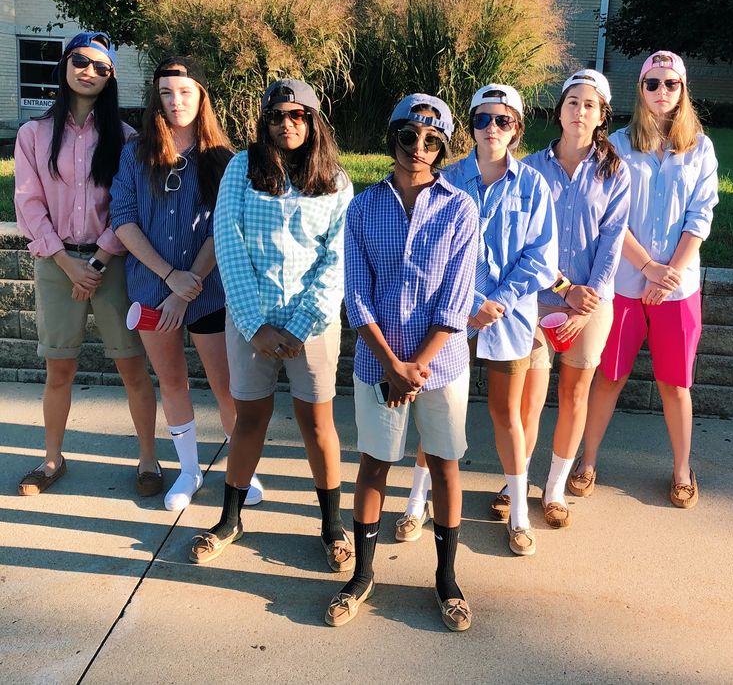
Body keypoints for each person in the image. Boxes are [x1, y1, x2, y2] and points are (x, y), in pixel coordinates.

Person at [325, 94, 478, 632]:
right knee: (375, 463)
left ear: (442, 147)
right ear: (392, 138)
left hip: (441, 363)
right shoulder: (363, 208)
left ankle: (447, 578)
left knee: (443, 464)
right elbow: (356, 295)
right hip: (377, 364)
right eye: (408, 136)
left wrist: (416, 366)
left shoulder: (460, 208)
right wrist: (392, 364)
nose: (418, 148)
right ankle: (363, 573)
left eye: (431, 141)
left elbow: (456, 302)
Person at [189, 80, 354, 571]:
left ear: (314, 121)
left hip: (313, 324)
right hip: (251, 322)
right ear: (265, 120)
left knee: (317, 424)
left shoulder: (337, 181)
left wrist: (301, 324)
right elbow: (229, 242)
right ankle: (230, 519)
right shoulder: (242, 169)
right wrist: (255, 324)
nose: (288, 123)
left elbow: (336, 260)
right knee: (249, 421)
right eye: (279, 115)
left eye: (299, 115)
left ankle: (330, 524)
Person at [14, 32, 160, 497]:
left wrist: (94, 261)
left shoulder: (127, 138)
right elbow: (29, 203)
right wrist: (66, 262)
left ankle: (148, 460)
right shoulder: (33, 134)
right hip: (56, 265)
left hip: (113, 264)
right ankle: (51, 459)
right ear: (65, 65)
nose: (89, 72)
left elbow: (128, 206)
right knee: (59, 369)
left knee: (132, 366)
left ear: (111, 77)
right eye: (81, 61)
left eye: (101, 67)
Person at [570, 52, 717, 509]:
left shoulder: (701, 147)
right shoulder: (616, 144)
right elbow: (610, 218)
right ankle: (587, 462)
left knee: (676, 384)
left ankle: (681, 469)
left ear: (682, 89)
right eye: (652, 83)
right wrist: (649, 268)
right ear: (640, 88)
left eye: (670, 84)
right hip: (627, 285)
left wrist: (669, 273)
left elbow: (700, 215)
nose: (661, 92)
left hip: (679, 287)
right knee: (609, 377)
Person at [110, 56, 249, 512]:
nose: (176, 101)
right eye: (167, 93)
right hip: (152, 291)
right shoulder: (135, 154)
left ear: (202, 97)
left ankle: (241, 473)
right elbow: (123, 221)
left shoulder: (222, 159)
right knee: (172, 382)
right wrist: (170, 280)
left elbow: (225, 227)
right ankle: (188, 472)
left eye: (186, 92)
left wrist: (189, 285)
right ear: (156, 99)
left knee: (225, 385)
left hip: (208, 292)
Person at [443, 85, 557, 557]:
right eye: (483, 119)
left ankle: (520, 511)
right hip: (452, 316)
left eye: (503, 120)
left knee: (505, 413)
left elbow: (541, 257)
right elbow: (438, 253)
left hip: (509, 321)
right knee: (441, 412)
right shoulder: (446, 180)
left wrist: (499, 302)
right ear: (470, 125)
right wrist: (471, 300)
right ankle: (417, 499)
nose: (492, 128)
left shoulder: (533, 185)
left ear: (516, 128)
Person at [517, 69, 630, 528]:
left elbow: (613, 240)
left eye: (589, 105)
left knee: (574, 392)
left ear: (601, 115)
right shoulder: (529, 168)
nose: (579, 111)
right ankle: (515, 481)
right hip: (538, 298)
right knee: (530, 396)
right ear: (559, 109)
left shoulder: (614, 171)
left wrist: (589, 302)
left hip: (591, 305)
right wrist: (565, 291)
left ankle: (556, 487)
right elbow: (523, 239)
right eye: (571, 102)